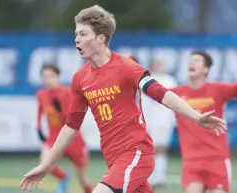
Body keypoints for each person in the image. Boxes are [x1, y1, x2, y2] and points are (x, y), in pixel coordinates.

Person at [20, 5, 226, 193]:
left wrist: (197, 117)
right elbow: (71, 126)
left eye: (83, 34)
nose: (77, 39)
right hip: (113, 158)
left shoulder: (126, 67)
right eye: (76, 34)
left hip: (137, 153)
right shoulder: (80, 78)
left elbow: (161, 93)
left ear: (101, 38)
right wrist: (46, 165)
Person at [171, 51, 237, 193]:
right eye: (190, 60)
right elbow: (152, 91)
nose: (191, 63)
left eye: (197, 60)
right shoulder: (177, 94)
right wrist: (130, 66)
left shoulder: (217, 89)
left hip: (216, 159)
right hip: (191, 161)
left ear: (206, 69)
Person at [36, 64, 93, 193]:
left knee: (83, 178)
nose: (47, 80)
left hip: (72, 139)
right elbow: (40, 110)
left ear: (58, 76)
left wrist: (60, 110)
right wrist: (38, 128)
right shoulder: (41, 94)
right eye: (44, 77)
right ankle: (63, 177)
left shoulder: (67, 92)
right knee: (45, 164)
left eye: (50, 76)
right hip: (53, 138)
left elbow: (72, 119)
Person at [140, 59, 178, 187]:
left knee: (162, 148)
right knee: (151, 148)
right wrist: (145, 121)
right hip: (152, 120)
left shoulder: (170, 80)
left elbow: (176, 101)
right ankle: (150, 176)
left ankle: (160, 176)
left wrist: (174, 120)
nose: (160, 66)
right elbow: (145, 102)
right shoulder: (149, 80)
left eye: (161, 63)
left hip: (166, 120)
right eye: (157, 63)